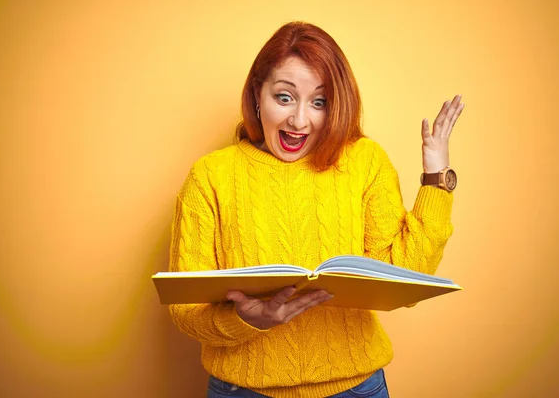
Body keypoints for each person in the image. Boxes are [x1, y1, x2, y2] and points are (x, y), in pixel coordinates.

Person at [168, 21, 464, 398]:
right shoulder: (210, 176)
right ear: (258, 94)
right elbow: (185, 310)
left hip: (357, 388)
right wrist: (246, 319)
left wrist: (436, 175)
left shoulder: (364, 161)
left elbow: (407, 278)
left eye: (319, 102)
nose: (299, 120)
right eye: (284, 97)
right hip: (243, 390)